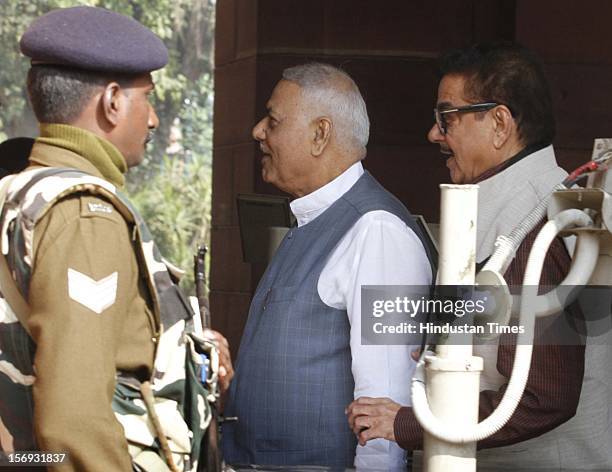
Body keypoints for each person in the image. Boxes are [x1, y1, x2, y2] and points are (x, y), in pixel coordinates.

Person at [347, 42, 612, 470]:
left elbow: (545, 396)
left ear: (500, 123)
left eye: (446, 117)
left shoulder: (536, 223)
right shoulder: (556, 202)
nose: (434, 134)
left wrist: (408, 424)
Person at [0, 6, 232, 471]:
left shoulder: (20, 192)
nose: (152, 121)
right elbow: (74, 421)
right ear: (111, 102)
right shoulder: (86, 214)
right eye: (147, 98)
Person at [221, 63, 435, 470]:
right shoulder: (311, 219)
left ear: (320, 134)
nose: (257, 131)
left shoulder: (378, 231)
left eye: (273, 120)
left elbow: (384, 412)